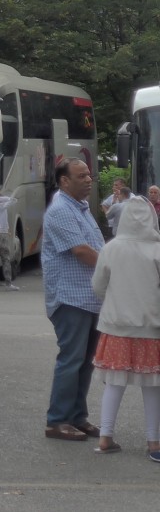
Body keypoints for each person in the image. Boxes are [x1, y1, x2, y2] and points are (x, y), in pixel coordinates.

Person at [90, 196, 160, 458]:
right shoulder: (157, 249)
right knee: (153, 385)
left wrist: (115, 301)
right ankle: (155, 444)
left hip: (116, 327)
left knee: (114, 383)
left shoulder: (112, 247)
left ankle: (106, 437)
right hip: (151, 329)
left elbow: (98, 286)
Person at [42, 157, 104, 441]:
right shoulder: (60, 210)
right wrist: (116, 268)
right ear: (64, 181)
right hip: (71, 298)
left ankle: (77, 417)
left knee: (86, 360)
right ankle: (57, 421)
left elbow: (96, 247)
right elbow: (81, 250)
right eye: (81, 176)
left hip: (90, 298)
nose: (88, 179)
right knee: (72, 358)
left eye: (89, 174)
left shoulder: (81, 208)